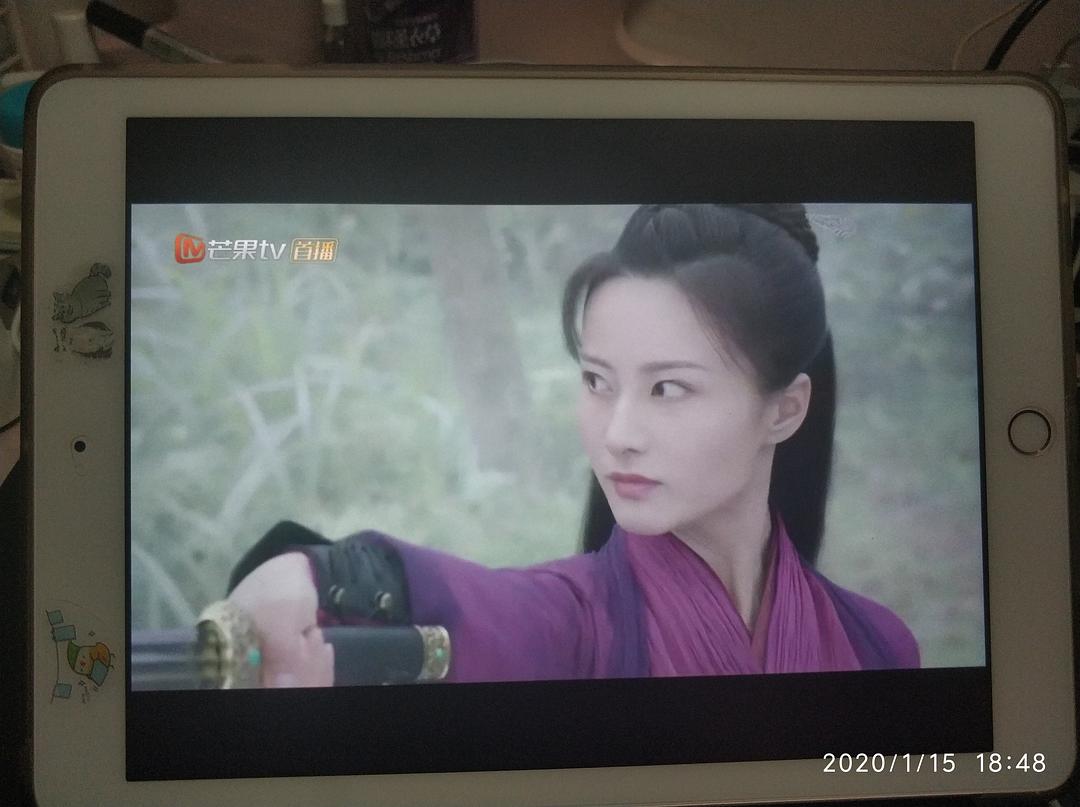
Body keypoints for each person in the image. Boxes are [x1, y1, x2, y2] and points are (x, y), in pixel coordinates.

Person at [226, 203, 919, 688]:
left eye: (668, 388)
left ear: (785, 409)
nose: (617, 435)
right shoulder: (571, 621)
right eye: (596, 381)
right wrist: (317, 577)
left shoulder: (879, 644)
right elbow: (484, 609)